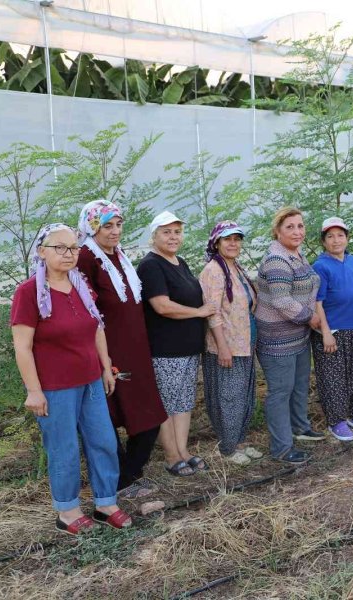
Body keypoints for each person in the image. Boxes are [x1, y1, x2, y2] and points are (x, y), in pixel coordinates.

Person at [11, 223, 131, 534]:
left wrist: (106, 367)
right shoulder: (29, 293)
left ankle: (106, 503)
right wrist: (33, 391)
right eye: (59, 247)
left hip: (90, 380)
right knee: (63, 447)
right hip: (54, 387)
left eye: (74, 247)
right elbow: (22, 347)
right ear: (42, 252)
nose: (69, 253)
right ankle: (68, 511)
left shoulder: (81, 285)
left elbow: (97, 329)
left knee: (103, 440)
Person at [76, 201, 167, 497]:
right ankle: (120, 481)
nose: (115, 231)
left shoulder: (119, 256)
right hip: (110, 352)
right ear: (92, 227)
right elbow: (86, 309)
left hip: (136, 349)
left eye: (118, 224)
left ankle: (129, 473)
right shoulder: (87, 258)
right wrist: (102, 360)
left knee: (148, 413)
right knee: (110, 416)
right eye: (107, 225)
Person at [137, 211, 215, 475]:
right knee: (167, 404)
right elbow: (162, 306)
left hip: (187, 348)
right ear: (154, 236)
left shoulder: (179, 262)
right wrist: (199, 312)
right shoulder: (151, 265)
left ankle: (183, 451)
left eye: (177, 232)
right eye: (166, 232)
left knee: (183, 403)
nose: (173, 237)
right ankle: (171, 456)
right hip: (165, 350)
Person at [256, 208, 323, 464]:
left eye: (300, 226)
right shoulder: (276, 260)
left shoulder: (296, 254)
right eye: (290, 227)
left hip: (298, 335)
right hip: (277, 338)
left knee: (298, 385)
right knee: (280, 391)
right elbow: (282, 300)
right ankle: (282, 448)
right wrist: (311, 318)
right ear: (277, 231)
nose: (297, 231)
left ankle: (300, 428)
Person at [199, 220, 263, 465]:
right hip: (226, 346)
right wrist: (223, 346)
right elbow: (212, 311)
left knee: (244, 396)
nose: (233, 243)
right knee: (229, 397)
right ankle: (228, 447)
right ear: (217, 243)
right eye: (228, 239)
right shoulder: (213, 270)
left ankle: (239, 440)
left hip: (245, 341)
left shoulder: (236, 267)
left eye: (237, 239)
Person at [311, 217, 353, 442]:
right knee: (334, 378)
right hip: (335, 332)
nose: (336, 240)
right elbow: (317, 303)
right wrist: (326, 332)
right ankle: (337, 421)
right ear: (324, 241)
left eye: (340, 235)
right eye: (330, 236)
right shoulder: (320, 266)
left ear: (347, 238)